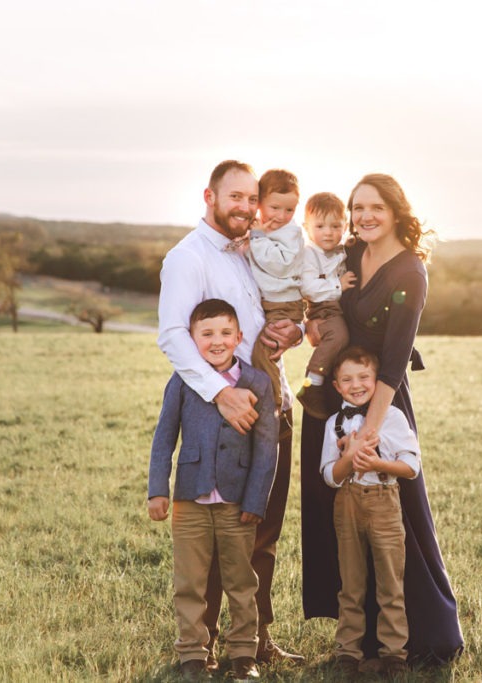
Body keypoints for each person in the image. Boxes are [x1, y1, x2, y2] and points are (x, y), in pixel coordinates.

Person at [300, 173, 464, 665]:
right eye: (357, 208)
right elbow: (322, 297)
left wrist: (369, 432)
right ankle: (358, 635)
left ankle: (424, 631)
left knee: (397, 514)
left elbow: (392, 363)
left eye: (374, 207)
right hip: (332, 396)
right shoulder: (349, 253)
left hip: (381, 401)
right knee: (338, 514)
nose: (363, 216)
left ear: (396, 210)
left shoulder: (410, 273)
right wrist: (312, 322)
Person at [157, 160, 305, 667]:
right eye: (235, 197)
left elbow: (273, 314)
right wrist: (221, 394)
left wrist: (292, 333)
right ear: (210, 196)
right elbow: (174, 336)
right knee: (222, 537)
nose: (245, 207)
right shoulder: (187, 257)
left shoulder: (250, 251)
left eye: (251, 198)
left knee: (261, 527)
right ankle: (204, 646)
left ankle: (256, 640)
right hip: (226, 417)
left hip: (273, 403)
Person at [148, 299, 277, 681]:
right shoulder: (185, 379)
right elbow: (164, 438)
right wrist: (159, 490)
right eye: (206, 334)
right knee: (189, 581)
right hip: (191, 498)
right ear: (193, 339)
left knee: (242, 580)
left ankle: (243, 655)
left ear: (239, 337)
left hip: (239, 503)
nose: (216, 341)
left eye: (225, 333)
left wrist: (256, 499)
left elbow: (267, 447)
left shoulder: (258, 382)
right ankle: (192, 654)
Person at [320, 346, 421, 678]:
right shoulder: (335, 423)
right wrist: (348, 457)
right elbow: (329, 476)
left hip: (384, 500)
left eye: (364, 377)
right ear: (336, 386)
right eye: (347, 379)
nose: (356, 384)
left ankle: (394, 654)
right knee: (351, 583)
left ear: (378, 381)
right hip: (346, 502)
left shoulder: (392, 416)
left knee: (390, 582)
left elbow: (411, 467)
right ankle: (348, 653)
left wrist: (377, 462)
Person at [248, 169, 305, 411]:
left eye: (289, 210)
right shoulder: (262, 228)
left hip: (284, 304)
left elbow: (280, 264)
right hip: (272, 302)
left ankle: (273, 405)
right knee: (264, 351)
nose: (282, 215)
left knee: (264, 353)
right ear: (260, 204)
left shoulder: (291, 232)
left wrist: (258, 238)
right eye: (275, 208)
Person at [296, 191, 356, 420]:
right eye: (320, 226)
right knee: (338, 335)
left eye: (335, 226)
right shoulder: (310, 254)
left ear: (345, 225)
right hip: (322, 307)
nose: (328, 232)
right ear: (306, 227)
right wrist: (338, 284)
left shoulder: (341, 249)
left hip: (334, 305)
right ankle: (312, 383)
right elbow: (308, 288)